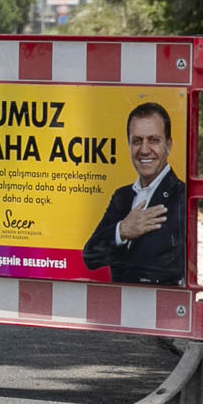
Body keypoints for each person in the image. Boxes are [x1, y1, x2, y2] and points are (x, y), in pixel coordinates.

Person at [81, 101, 188, 285]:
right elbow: (91, 257)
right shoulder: (121, 196)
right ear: (129, 145)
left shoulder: (183, 196)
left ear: (168, 146)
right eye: (137, 141)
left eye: (153, 140)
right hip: (118, 300)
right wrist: (122, 231)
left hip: (160, 302)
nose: (144, 150)